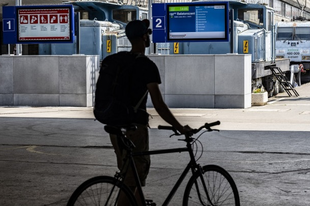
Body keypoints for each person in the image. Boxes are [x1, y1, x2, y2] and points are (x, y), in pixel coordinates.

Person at [106, 19, 191, 205]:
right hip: (134, 130)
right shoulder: (146, 65)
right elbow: (159, 104)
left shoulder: (120, 62)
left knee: (132, 178)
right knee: (130, 183)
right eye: (148, 34)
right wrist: (179, 127)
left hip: (115, 128)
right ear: (144, 37)